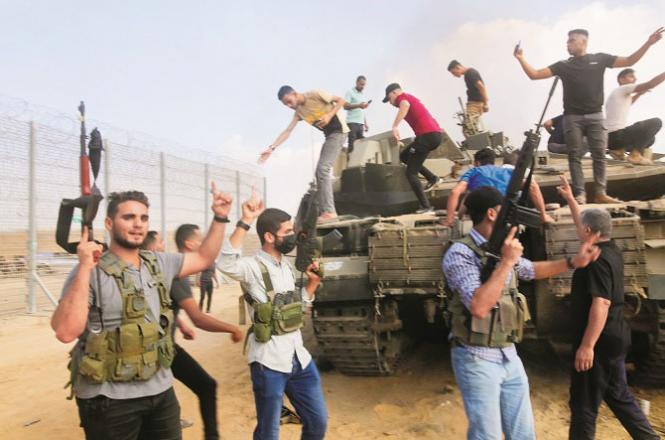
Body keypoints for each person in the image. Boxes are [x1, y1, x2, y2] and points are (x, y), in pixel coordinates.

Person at [51, 186, 233, 439]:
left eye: (143, 218)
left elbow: (203, 257)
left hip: (160, 392)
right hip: (109, 400)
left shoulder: (158, 262)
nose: (138, 224)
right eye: (128, 217)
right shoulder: (90, 270)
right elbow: (65, 331)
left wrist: (221, 216)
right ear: (109, 223)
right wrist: (84, 267)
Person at [442, 185, 600, 440]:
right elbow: (479, 307)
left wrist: (572, 263)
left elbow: (531, 270)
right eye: (508, 210)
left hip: (508, 354)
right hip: (476, 358)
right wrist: (506, 263)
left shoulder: (503, 247)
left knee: (523, 434)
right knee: (487, 435)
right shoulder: (460, 253)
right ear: (493, 213)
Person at [218, 191, 327, 440]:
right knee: (268, 432)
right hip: (269, 362)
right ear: (269, 237)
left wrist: (312, 285)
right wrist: (245, 220)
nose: (292, 236)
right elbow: (225, 265)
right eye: (287, 232)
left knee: (317, 422)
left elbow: (296, 309)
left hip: (299, 358)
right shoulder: (252, 267)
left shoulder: (286, 267)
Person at [556, 176, 659, 439]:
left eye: (583, 228)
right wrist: (570, 199)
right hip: (616, 335)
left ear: (589, 233)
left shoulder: (596, 260)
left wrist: (587, 345)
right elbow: (587, 226)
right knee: (619, 395)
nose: (580, 231)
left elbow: (601, 302)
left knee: (583, 405)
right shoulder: (610, 248)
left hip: (599, 340)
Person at [514, 27, 664, 204]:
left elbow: (630, 60)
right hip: (572, 118)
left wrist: (648, 43)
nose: (567, 44)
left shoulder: (599, 59)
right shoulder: (564, 65)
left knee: (599, 155)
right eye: (567, 40)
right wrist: (521, 58)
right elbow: (535, 75)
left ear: (583, 42)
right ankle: (580, 195)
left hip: (595, 116)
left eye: (571, 40)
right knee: (574, 156)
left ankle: (600, 193)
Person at [260, 86, 347, 222]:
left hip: (339, 132)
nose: (289, 106)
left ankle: (329, 212)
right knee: (320, 172)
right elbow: (287, 131)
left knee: (322, 170)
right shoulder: (299, 112)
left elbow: (341, 100)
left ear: (295, 94)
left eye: (289, 101)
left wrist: (329, 115)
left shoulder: (315, 94)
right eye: (285, 105)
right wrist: (271, 148)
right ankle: (327, 210)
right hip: (329, 136)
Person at [444, 148, 554, 226]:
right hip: (505, 216)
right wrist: (543, 215)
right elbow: (532, 186)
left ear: (477, 163)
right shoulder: (508, 172)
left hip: (481, 219)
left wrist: (451, 219)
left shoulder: (474, 171)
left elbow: (455, 192)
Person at [383, 82, 444, 214]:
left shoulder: (402, 98)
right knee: (404, 156)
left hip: (427, 136)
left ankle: (426, 206)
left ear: (394, 93)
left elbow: (405, 105)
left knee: (411, 173)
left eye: (389, 99)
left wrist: (394, 126)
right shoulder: (410, 97)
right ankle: (433, 178)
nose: (390, 103)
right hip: (433, 135)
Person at [605, 68, 664, 165]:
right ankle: (635, 155)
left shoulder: (619, 95)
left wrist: (639, 94)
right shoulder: (622, 89)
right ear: (621, 79)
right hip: (616, 136)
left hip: (611, 140)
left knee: (650, 139)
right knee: (656, 122)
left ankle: (618, 151)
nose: (635, 79)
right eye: (631, 76)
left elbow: (629, 102)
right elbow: (651, 84)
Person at [447, 60, 489, 138]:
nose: (454, 75)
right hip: (474, 104)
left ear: (457, 67)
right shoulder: (468, 74)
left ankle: (478, 148)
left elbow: (481, 87)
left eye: (453, 72)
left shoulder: (470, 73)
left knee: (468, 129)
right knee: (471, 129)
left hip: (475, 104)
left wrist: (486, 103)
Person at [344, 75, 370, 153]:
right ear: (357, 82)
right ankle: (349, 163)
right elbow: (345, 106)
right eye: (361, 84)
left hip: (360, 124)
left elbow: (362, 110)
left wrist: (365, 123)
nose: (363, 86)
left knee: (360, 145)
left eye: (364, 85)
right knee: (352, 145)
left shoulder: (362, 94)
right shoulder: (350, 92)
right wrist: (359, 105)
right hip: (352, 123)